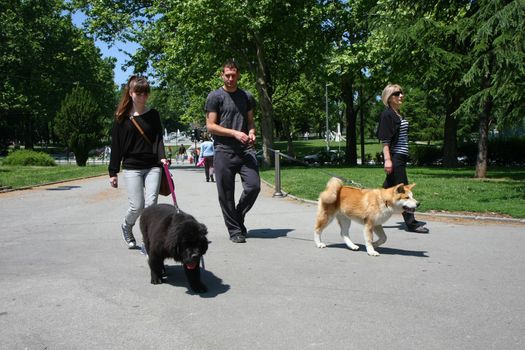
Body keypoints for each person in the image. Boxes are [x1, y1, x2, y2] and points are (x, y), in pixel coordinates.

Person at [108, 75, 169, 248]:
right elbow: (116, 146)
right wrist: (113, 172)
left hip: (152, 166)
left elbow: (158, 139)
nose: (142, 97)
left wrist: (162, 157)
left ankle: (149, 240)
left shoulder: (153, 115)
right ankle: (127, 226)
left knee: (151, 205)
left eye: (145, 93)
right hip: (132, 167)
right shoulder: (121, 118)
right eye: (138, 93)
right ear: (130, 92)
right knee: (137, 206)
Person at [205, 60, 260, 243]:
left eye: (233, 75)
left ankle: (237, 216)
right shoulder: (215, 97)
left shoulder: (246, 96)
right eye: (227, 75)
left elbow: (251, 122)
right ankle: (235, 230)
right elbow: (211, 126)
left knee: (254, 186)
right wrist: (235, 133)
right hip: (223, 150)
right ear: (222, 75)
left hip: (246, 151)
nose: (230, 78)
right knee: (226, 194)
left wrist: (251, 132)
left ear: (238, 75)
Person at [377, 84, 429, 233]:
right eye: (397, 94)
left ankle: (370, 213)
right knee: (404, 190)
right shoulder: (387, 115)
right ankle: (411, 223)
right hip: (394, 158)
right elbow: (385, 140)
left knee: (384, 191)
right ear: (389, 98)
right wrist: (388, 160)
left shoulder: (398, 114)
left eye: (401, 93)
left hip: (400, 157)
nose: (401, 96)